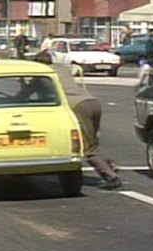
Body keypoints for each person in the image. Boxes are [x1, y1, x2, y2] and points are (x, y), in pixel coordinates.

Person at [35, 50, 122, 190]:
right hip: (92, 102)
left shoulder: (44, 75)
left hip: (78, 106)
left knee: (86, 146)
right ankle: (108, 164)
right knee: (93, 141)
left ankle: (110, 176)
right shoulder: (60, 69)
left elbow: (32, 92)